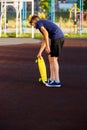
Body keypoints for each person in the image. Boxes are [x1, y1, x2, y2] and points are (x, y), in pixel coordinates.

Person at [29, 15, 64, 87]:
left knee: (54, 59)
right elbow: (45, 39)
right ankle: (52, 79)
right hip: (57, 38)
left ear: (34, 21)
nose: (32, 26)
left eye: (32, 24)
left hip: (57, 38)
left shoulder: (39, 23)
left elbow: (46, 33)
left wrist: (48, 46)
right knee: (50, 58)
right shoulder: (42, 24)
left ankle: (57, 81)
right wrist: (40, 52)